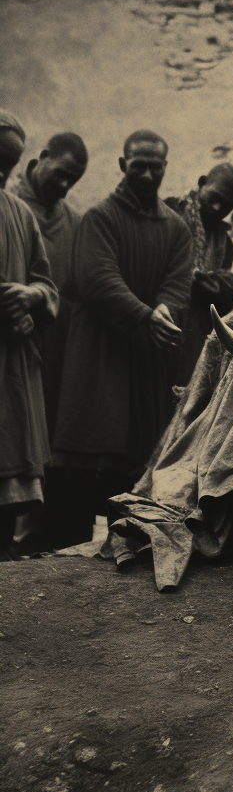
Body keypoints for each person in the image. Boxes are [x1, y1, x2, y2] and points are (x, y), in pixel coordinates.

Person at [50, 130, 193, 546]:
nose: (147, 174)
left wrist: (166, 309)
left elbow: (178, 282)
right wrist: (147, 315)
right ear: (122, 165)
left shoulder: (177, 228)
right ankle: (66, 546)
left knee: (138, 458)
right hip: (99, 355)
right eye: (138, 165)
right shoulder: (99, 217)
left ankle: (127, 544)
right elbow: (96, 279)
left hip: (146, 357)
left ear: (165, 167)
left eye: (155, 166)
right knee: (88, 454)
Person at [0, 112, 59, 556]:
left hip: (12, 376)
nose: (1, 172)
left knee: (6, 501)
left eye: (8, 164)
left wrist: (30, 297)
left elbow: (47, 284)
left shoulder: (19, 214)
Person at [10, 132, 88, 436]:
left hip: (58, 348)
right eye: (61, 174)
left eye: (74, 180)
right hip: (15, 338)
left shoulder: (74, 221)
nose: (66, 186)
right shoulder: (10, 207)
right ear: (42, 157)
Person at [166, 162, 233, 389]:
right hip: (161, 327)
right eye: (214, 196)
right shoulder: (167, 214)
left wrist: (216, 286)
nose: (216, 207)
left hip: (196, 337)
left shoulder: (225, 243)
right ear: (202, 183)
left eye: (226, 205)